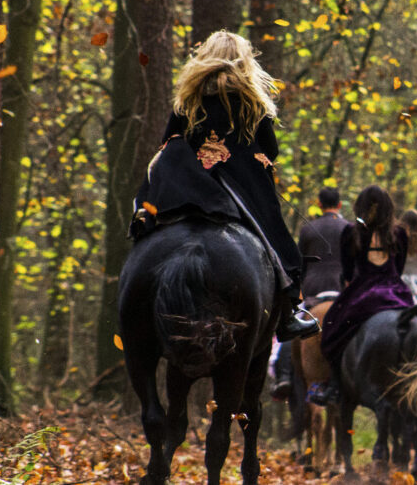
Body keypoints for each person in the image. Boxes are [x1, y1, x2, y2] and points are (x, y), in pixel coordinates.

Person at [130, 30, 317, 342]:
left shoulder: (187, 102)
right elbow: (270, 151)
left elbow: (169, 140)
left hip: (188, 184)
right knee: (274, 241)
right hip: (239, 186)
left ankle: (139, 239)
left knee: (148, 217)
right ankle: (286, 314)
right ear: (243, 63)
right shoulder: (254, 105)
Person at [310, 186, 415, 405]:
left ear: (361, 207)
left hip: (364, 290)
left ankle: (334, 385)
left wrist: (350, 291)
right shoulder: (400, 233)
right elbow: (400, 267)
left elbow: (348, 273)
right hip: (396, 291)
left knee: (331, 324)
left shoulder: (352, 232)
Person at [270, 187, 349, 399]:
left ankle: (284, 376)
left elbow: (299, 264)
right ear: (339, 205)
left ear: (319, 204)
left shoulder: (308, 229)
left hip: (314, 290)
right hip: (343, 292)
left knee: (291, 327)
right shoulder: (350, 228)